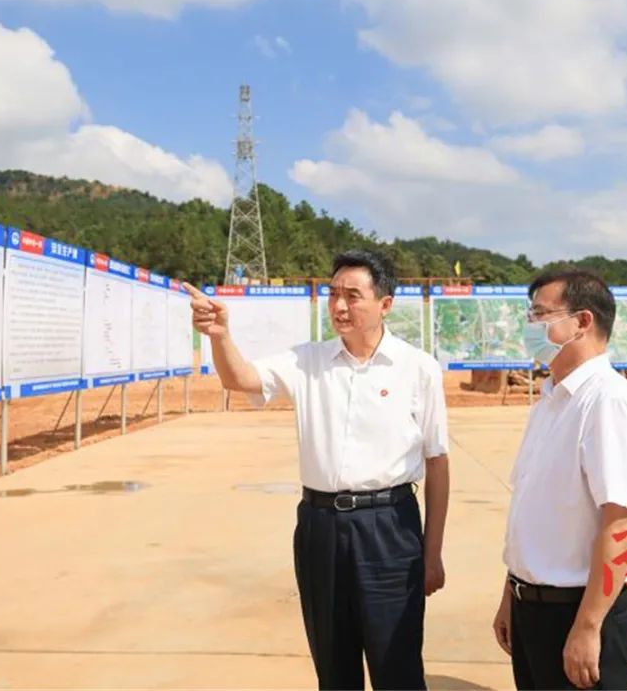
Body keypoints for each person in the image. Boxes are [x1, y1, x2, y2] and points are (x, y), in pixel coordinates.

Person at [186, 250, 450, 690]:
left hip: (390, 528)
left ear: (385, 304)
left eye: (353, 296)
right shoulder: (307, 361)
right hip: (320, 527)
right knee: (333, 666)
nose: (339, 306)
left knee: (397, 667)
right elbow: (241, 379)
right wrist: (219, 335)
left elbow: (437, 462)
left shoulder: (417, 368)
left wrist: (432, 552)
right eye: (333, 294)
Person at [493, 270, 627, 690]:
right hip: (533, 608)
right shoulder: (551, 400)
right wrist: (512, 593)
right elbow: (533, 513)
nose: (530, 325)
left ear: (582, 321)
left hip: (578, 610)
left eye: (540, 314)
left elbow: (621, 524)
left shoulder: (608, 402)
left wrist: (588, 626)